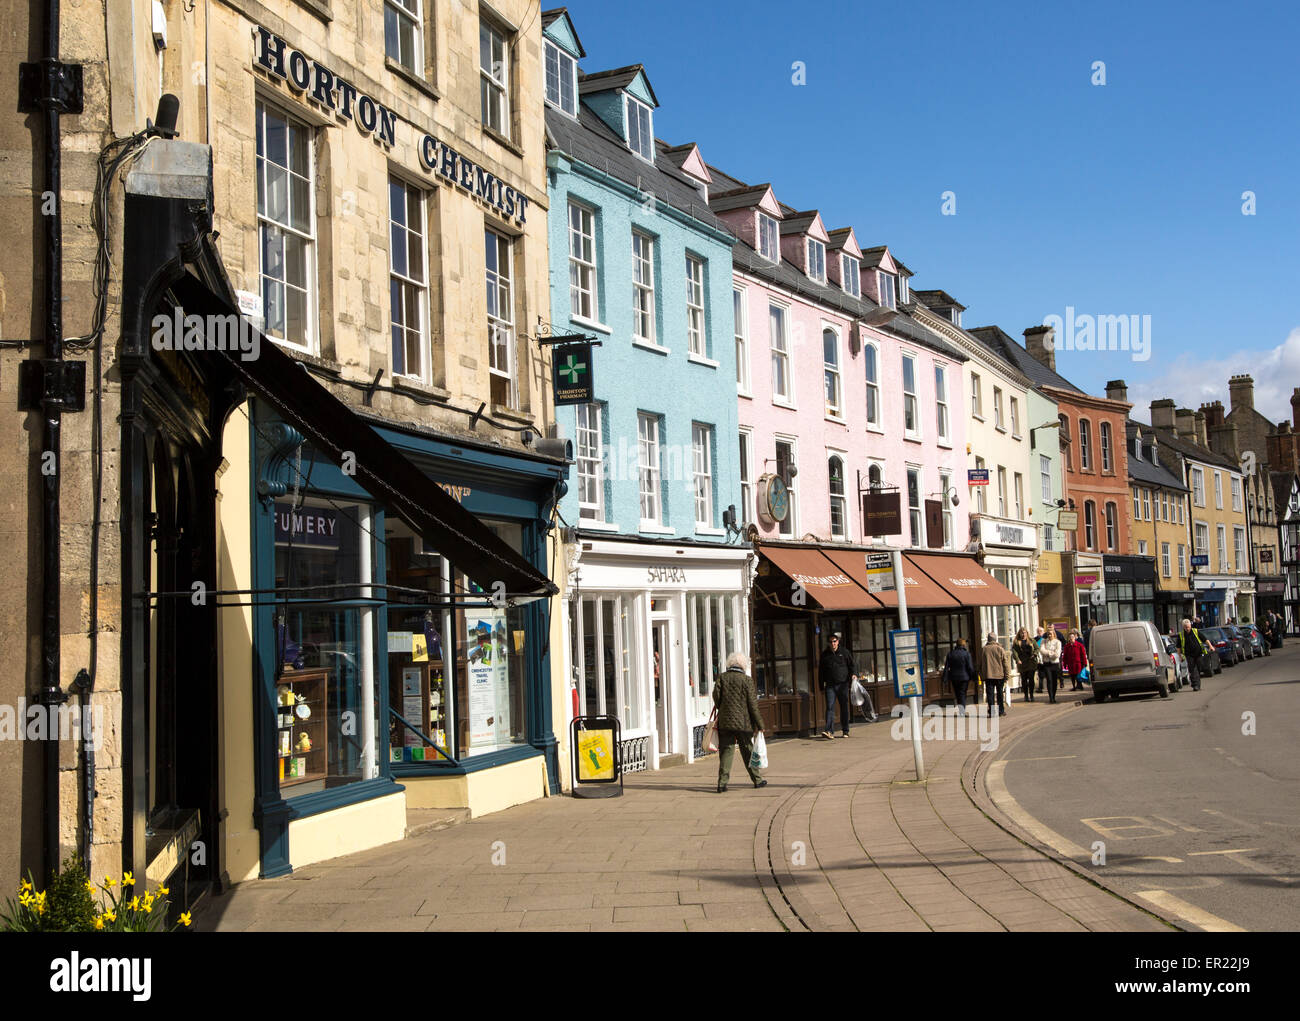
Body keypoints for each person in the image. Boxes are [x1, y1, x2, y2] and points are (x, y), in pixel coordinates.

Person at [712, 652, 766, 793]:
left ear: (730, 664)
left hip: (725, 722)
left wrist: (722, 708)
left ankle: (722, 784)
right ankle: (757, 780)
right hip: (743, 723)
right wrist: (760, 724)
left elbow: (716, 697)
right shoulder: (747, 680)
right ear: (743, 665)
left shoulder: (722, 678)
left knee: (726, 752)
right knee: (748, 751)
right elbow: (753, 705)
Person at [818, 632, 857, 739]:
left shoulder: (844, 652)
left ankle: (845, 731)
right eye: (831, 642)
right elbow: (821, 672)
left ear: (838, 641)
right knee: (830, 707)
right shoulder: (825, 655)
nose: (833, 644)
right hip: (830, 685)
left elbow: (852, 665)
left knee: (844, 707)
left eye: (834, 641)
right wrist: (821, 686)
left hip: (842, 684)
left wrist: (854, 674)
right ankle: (829, 731)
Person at [977, 632, 1010, 717]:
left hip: (988, 675)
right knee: (999, 694)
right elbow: (1005, 664)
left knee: (990, 694)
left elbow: (979, 664)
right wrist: (1007, 675)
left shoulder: (983, 649)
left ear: (988, 639)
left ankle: (991, 712)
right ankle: (1001, 710)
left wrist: (981, 674)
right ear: (995, 639)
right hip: (999, 675)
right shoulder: (1000, 649)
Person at [942, 638, 976, 713]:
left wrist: (945, 678)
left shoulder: (951, 654)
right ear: (964, 645)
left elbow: (946, 667)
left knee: (958, 694)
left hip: (954, 677)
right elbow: (970, 667)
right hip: (964, 677)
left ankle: (961, 709)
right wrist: (974, 677)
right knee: (963, 693)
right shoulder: (967, 654)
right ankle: (962, 711)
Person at [1176, 618, 1205, 691]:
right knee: (1192, 669)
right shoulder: (1181, 635)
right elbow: (1178, 647)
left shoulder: (1195, 631)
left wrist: (1211, 646)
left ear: (1190, 626)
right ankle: (1195, 685)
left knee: (1199, 668)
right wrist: (1180, 656)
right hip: (1189, 655)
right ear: (1183, 627)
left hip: (1198, 653)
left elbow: (1205, 639)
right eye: (1185, 627)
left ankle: (1197, 684)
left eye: (1188, 627)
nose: (1187, 628)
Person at [1012, 627, 1039, 702]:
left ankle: (1031, 695)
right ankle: (1026, 695)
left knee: (1031, 679)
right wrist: (1017, 660)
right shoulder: (1017, 642)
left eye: (1024, 633)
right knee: (1024, 680)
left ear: (1027, 633)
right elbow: (1014, 652)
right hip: (1022, 662)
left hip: (1031, 662)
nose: (1023, 634)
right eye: (1022, 633)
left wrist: (1035, 654)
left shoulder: (1031, 640)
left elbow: (1037, 648)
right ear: (1019, 634)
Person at [1039, 628, 1063, 703]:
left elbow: (1057, 654)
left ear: (1054, 634)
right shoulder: (1044, 641)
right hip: (1047, 663)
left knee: (1054, 681)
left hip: (1055, 663)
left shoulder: (1058, 642)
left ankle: (1054, 696)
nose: (1049, 635)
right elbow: (1042, 650)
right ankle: (1051, 697)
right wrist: (1050, 653)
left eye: (1051, 634)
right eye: (1048, 634)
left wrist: (1048, 654)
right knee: (1049, 680)